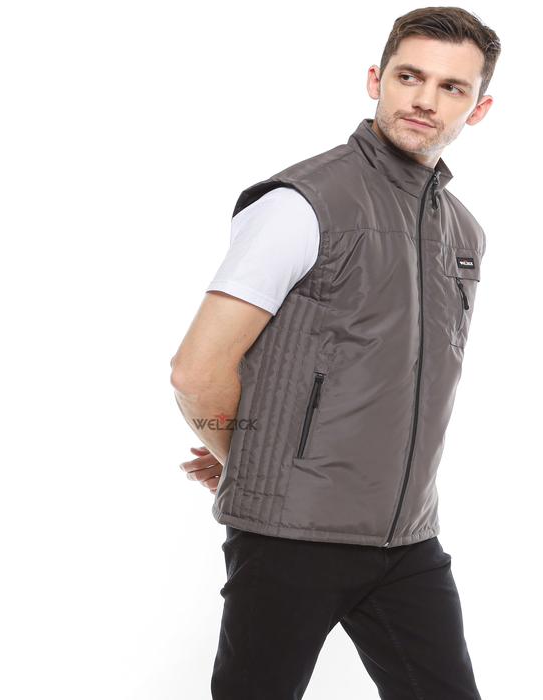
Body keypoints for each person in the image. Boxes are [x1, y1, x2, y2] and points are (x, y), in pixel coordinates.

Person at [170, 6, 500, 699]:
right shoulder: (302, 203)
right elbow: (197, 370)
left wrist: (248, 456)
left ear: (479, 108)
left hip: (407, 541)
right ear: (377, 79)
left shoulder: (463, 232)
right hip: (291, 540)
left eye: (451, 87)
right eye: (409, 77)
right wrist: (248, 460)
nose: (425, 99)